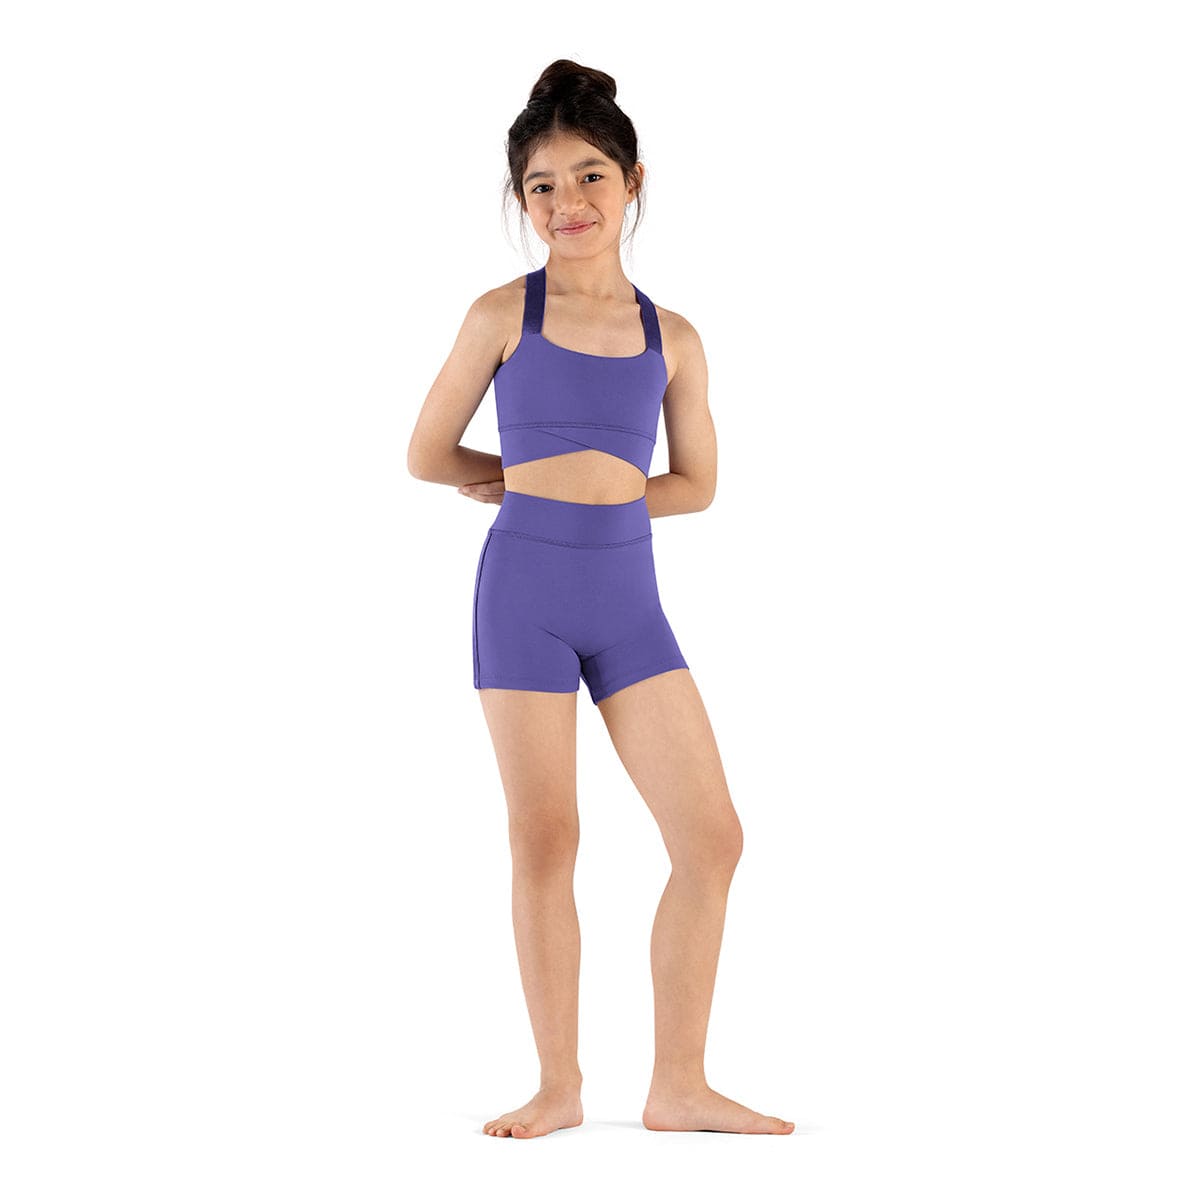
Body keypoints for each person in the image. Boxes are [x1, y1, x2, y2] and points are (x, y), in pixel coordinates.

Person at [407, 58, 794, 1139]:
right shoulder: (500, 313)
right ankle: (559, 1087)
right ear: (520, 200)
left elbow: (697, 484)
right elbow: (426, 454)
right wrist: (519, 479)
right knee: (547, 837)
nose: (566, 201)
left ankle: (679, 1085)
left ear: (632, 182)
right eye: (541, 185)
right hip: (523, 593)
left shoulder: (675, 338)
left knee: (712, 838)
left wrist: (609, 493)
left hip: (629, 600)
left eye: (589, 176)